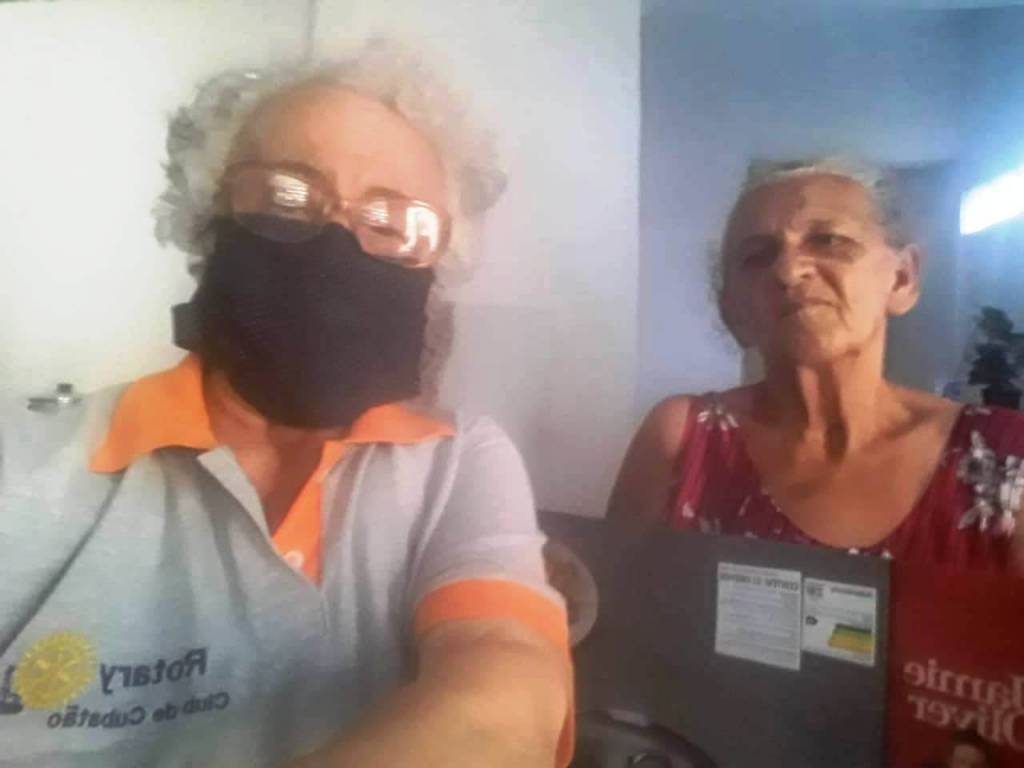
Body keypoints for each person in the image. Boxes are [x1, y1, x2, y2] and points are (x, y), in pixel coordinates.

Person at [0, 42, 571, 767]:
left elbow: (505, 704)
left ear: (436, 264)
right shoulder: (28, 459)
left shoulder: (457, 463)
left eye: (391, 224)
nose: (336, 243)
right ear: (206, 220)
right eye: (285, 199)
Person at [610, 158, 1024, 571]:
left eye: (828, 240)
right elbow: (614, 598)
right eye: (756, 257)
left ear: (902, 279)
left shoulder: (1006, 455)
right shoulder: (683, 442)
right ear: (733, 312)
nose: (789, 271)